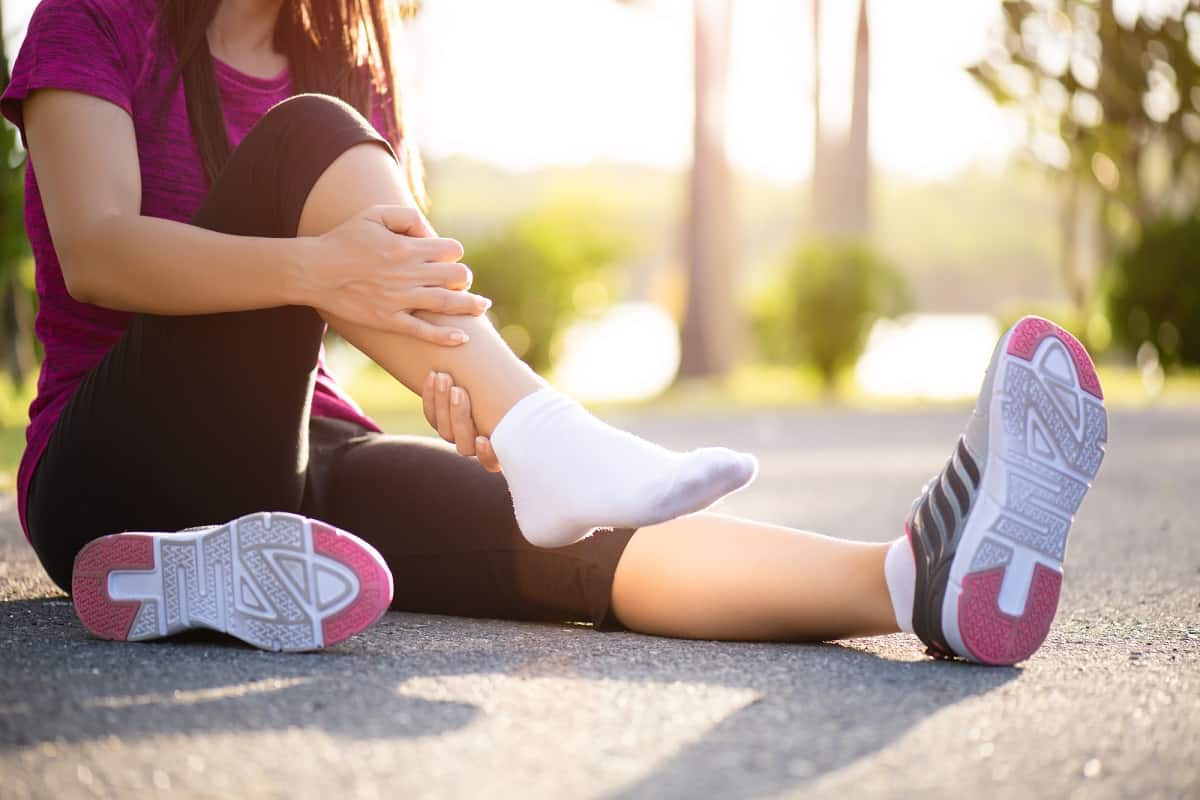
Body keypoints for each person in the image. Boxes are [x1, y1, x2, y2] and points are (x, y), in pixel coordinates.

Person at [1, 0, 1107, 665]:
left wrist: (445, 384)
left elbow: (359, 298)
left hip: (290, 459)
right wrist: (318, 266)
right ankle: (544, 429)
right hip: (108, 462)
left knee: (574, 541)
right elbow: (99, 245)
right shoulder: (100, 16)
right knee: (306, 142)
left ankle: (913, 579)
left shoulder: (342, 59)